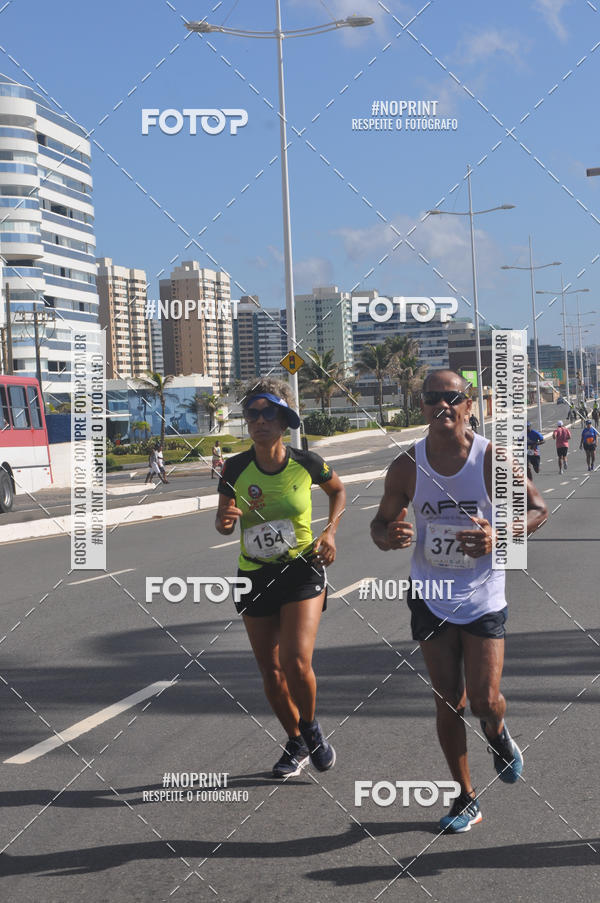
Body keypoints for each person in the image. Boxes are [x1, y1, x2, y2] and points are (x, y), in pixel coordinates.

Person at [370, 370, 547, 833]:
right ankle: (465, 797)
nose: (441, 405)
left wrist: (499, 535)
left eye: (452, 397)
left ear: (469, 405)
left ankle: (497, 733)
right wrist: (390, 536)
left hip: (483, 595)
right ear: (422, 406)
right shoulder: (407, 466)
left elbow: (538, 509)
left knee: (486, 701)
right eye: (432, 398)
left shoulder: (492, 460)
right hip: (430, 596)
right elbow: (378, 525)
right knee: (448, 699)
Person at [215, 378, 346, 779]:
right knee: (270, 671)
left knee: (294, 660)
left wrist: (330, 531)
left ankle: (310, 728)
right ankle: (295, 740)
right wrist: (223, 522)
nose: (258, 420)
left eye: (267, 412)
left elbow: (338, 491)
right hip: (254, 575)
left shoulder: (306, 462)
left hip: (302, 570)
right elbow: (223, 522)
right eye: (251, 413)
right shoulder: (234, 467)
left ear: (284, 418)